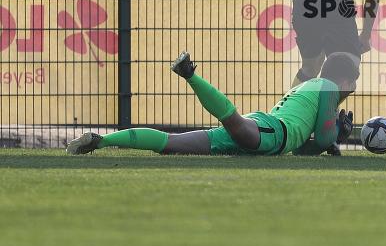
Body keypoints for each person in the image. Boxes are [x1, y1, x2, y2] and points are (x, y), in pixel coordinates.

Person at [66, 51, 356, 157]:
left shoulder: (311, 86)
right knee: (234, 122)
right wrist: (337, 137)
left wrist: (326, 143)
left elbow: (303, 150)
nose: (353, 88)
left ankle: (101, 141)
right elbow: (323, 138)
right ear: (343, 78)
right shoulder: (329, 86)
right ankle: (190, 74)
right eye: (353, 81)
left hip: (266, 131)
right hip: (270, 133)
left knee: (171, 144)